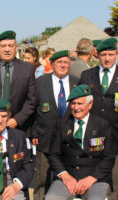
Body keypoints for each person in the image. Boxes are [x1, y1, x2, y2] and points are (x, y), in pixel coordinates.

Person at [79, 38, 118, 200]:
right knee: (92, 177)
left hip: (117, 137)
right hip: (94, 136)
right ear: (97, 55)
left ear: (116, 55)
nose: (107, 58)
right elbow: (79, 105)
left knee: (114, 180)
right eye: (103, 55)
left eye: (110, 54)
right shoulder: (87, 75)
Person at [45, 84, 115, 200]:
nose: (76, 107)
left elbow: (109, 158)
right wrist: (65, 175)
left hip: (95, 178)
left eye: (80, 104)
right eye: (73, 103)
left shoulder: (103, 125)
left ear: (90, 104)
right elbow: (54, 155)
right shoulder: (62, 125)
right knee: (51, 197)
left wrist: (91, 179)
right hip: (68, 176)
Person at [31, 50, 78, 200]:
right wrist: (34, 133)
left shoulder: (77, 82)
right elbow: (32, 110)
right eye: (59, 62)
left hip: (70, 141)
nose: (63, 65)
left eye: (66, 62)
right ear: (51, 64)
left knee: (67, 178)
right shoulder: (40, 82)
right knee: (41, 179)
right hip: (45, 138)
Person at [0, 30, 37, 136]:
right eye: (3, 46)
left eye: (10, 46)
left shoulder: (27, 68)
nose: (7, 49)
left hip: (19, 128)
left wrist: (17, 119)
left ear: (16, 47)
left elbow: (32, 99)